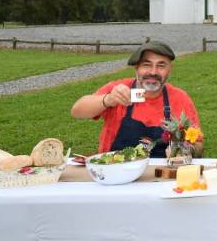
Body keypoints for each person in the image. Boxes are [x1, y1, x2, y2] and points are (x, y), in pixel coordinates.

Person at [71, 41, 202, 157]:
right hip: (115, 170)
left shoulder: (180, 98)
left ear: (170, 70)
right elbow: (77, 111)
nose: (153, 72)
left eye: (161, 66)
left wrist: (186, 150)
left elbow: (198, 144)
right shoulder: (119, 89)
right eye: (146, 65)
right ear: (137, 68)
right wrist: (108, 99)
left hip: (162, 175)